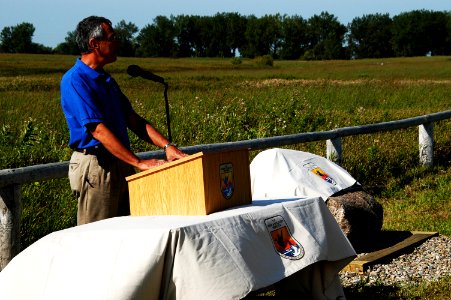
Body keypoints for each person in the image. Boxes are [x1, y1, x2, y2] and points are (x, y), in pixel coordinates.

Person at [60, 16, 187, 225]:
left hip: (121, 162)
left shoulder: (107, 80)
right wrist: (138, 162)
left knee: (126, 232)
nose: (118, 42)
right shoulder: (75, 80)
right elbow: (97, 129)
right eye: (112, 38)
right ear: (95, 44)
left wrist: (167, 146)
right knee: (97, 238)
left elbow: (133, 120)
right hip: (97, 165)